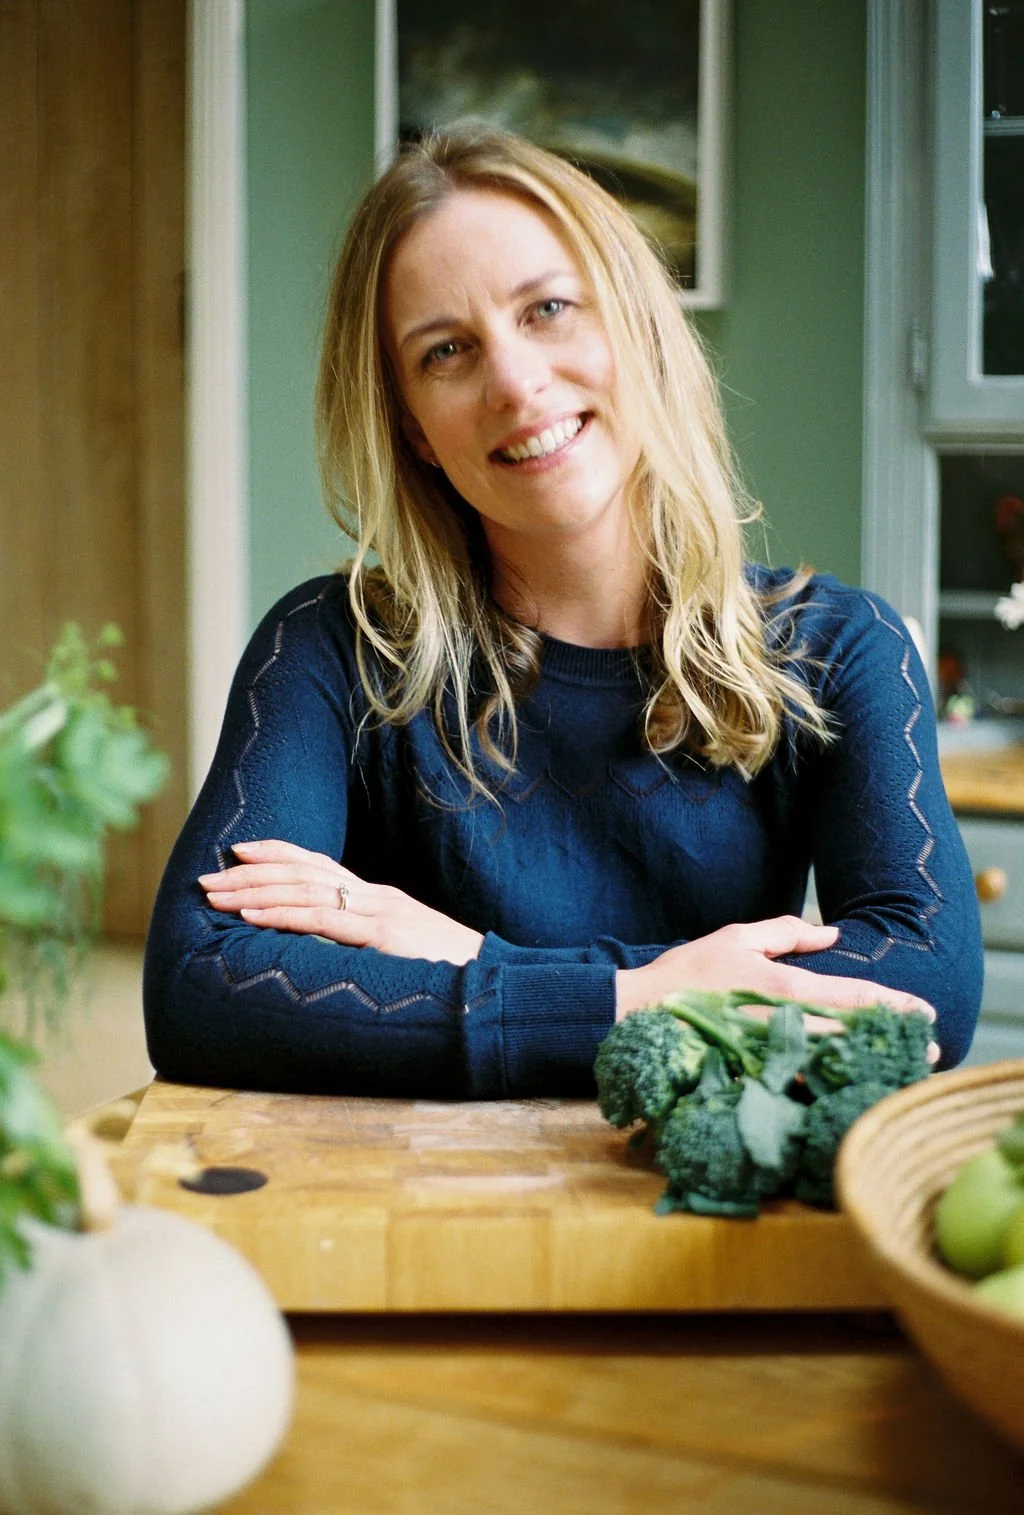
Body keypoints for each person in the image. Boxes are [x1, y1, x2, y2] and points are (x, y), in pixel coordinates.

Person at [143, 123, 983, 1099]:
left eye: (546, 309)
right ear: (412, 428)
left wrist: (466, 956)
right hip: (403, 1219)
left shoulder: (839, 649)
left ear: (631, 323)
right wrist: (638, 996)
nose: (513, 380)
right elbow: (200, 986)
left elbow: (922, 994)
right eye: (447, 351)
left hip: (700, 1231)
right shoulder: (333, 649)